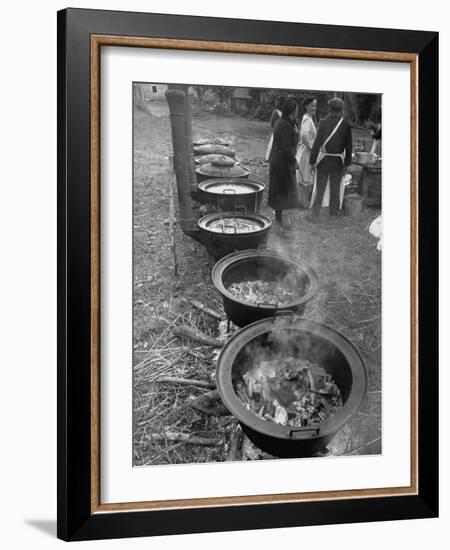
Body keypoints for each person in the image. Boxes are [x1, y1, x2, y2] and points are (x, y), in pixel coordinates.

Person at [309, 97, 353, 220]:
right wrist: (347, 164)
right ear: (341, 110)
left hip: (323, 161)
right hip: (338, 162)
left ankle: (315, 213)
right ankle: (333, 213)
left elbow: (317, 143)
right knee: (335, 188)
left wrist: (312, 161)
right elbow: (349, 146)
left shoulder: (323, 122)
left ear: (330, 109)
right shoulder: (346, 125)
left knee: (320, 188)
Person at [268, 97, 299, 228]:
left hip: (277, 159)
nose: (298, 113)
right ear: (292, 110)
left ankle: (279, 218)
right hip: (281, 162)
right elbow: (287, 149)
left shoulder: (281, 122)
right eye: (297, 110)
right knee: (280, 190)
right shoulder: (286, 126)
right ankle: (279, 221)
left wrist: (295, 131)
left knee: (278, 190)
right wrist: (294, 161)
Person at [296, 96, 318, 207]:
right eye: (312, 106)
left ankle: (303, 201)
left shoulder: (309, 118)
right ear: (306, 106)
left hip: (308, 150)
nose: (314, 108)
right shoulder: (307, 119)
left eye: (315, 106)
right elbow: (304, 135)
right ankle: (303, 202)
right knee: (306, 176)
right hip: (307, 152)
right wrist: (311, 147)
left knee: (306, 176)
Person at [265, 96, 286, 162]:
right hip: (284, 135)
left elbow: (272, 124)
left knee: (272, 147)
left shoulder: (275, 112)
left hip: (276, 133)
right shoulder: (285, 114)